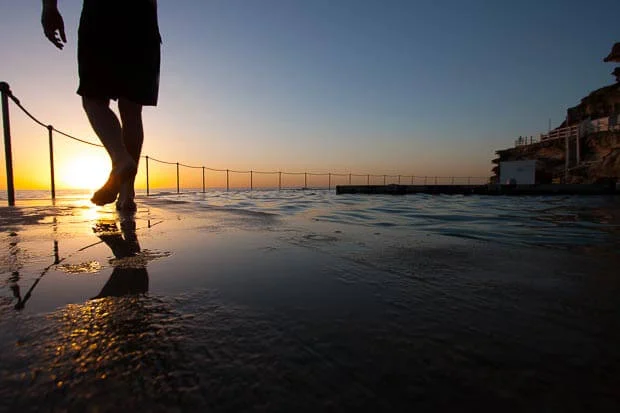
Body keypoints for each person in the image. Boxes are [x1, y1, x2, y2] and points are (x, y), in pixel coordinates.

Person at [41, 0, 161, 211]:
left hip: (102, 12)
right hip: (144, 18)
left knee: (93, 98)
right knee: (132, 110)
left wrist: (49, 7)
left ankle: (120, 159)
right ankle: (126, 195)